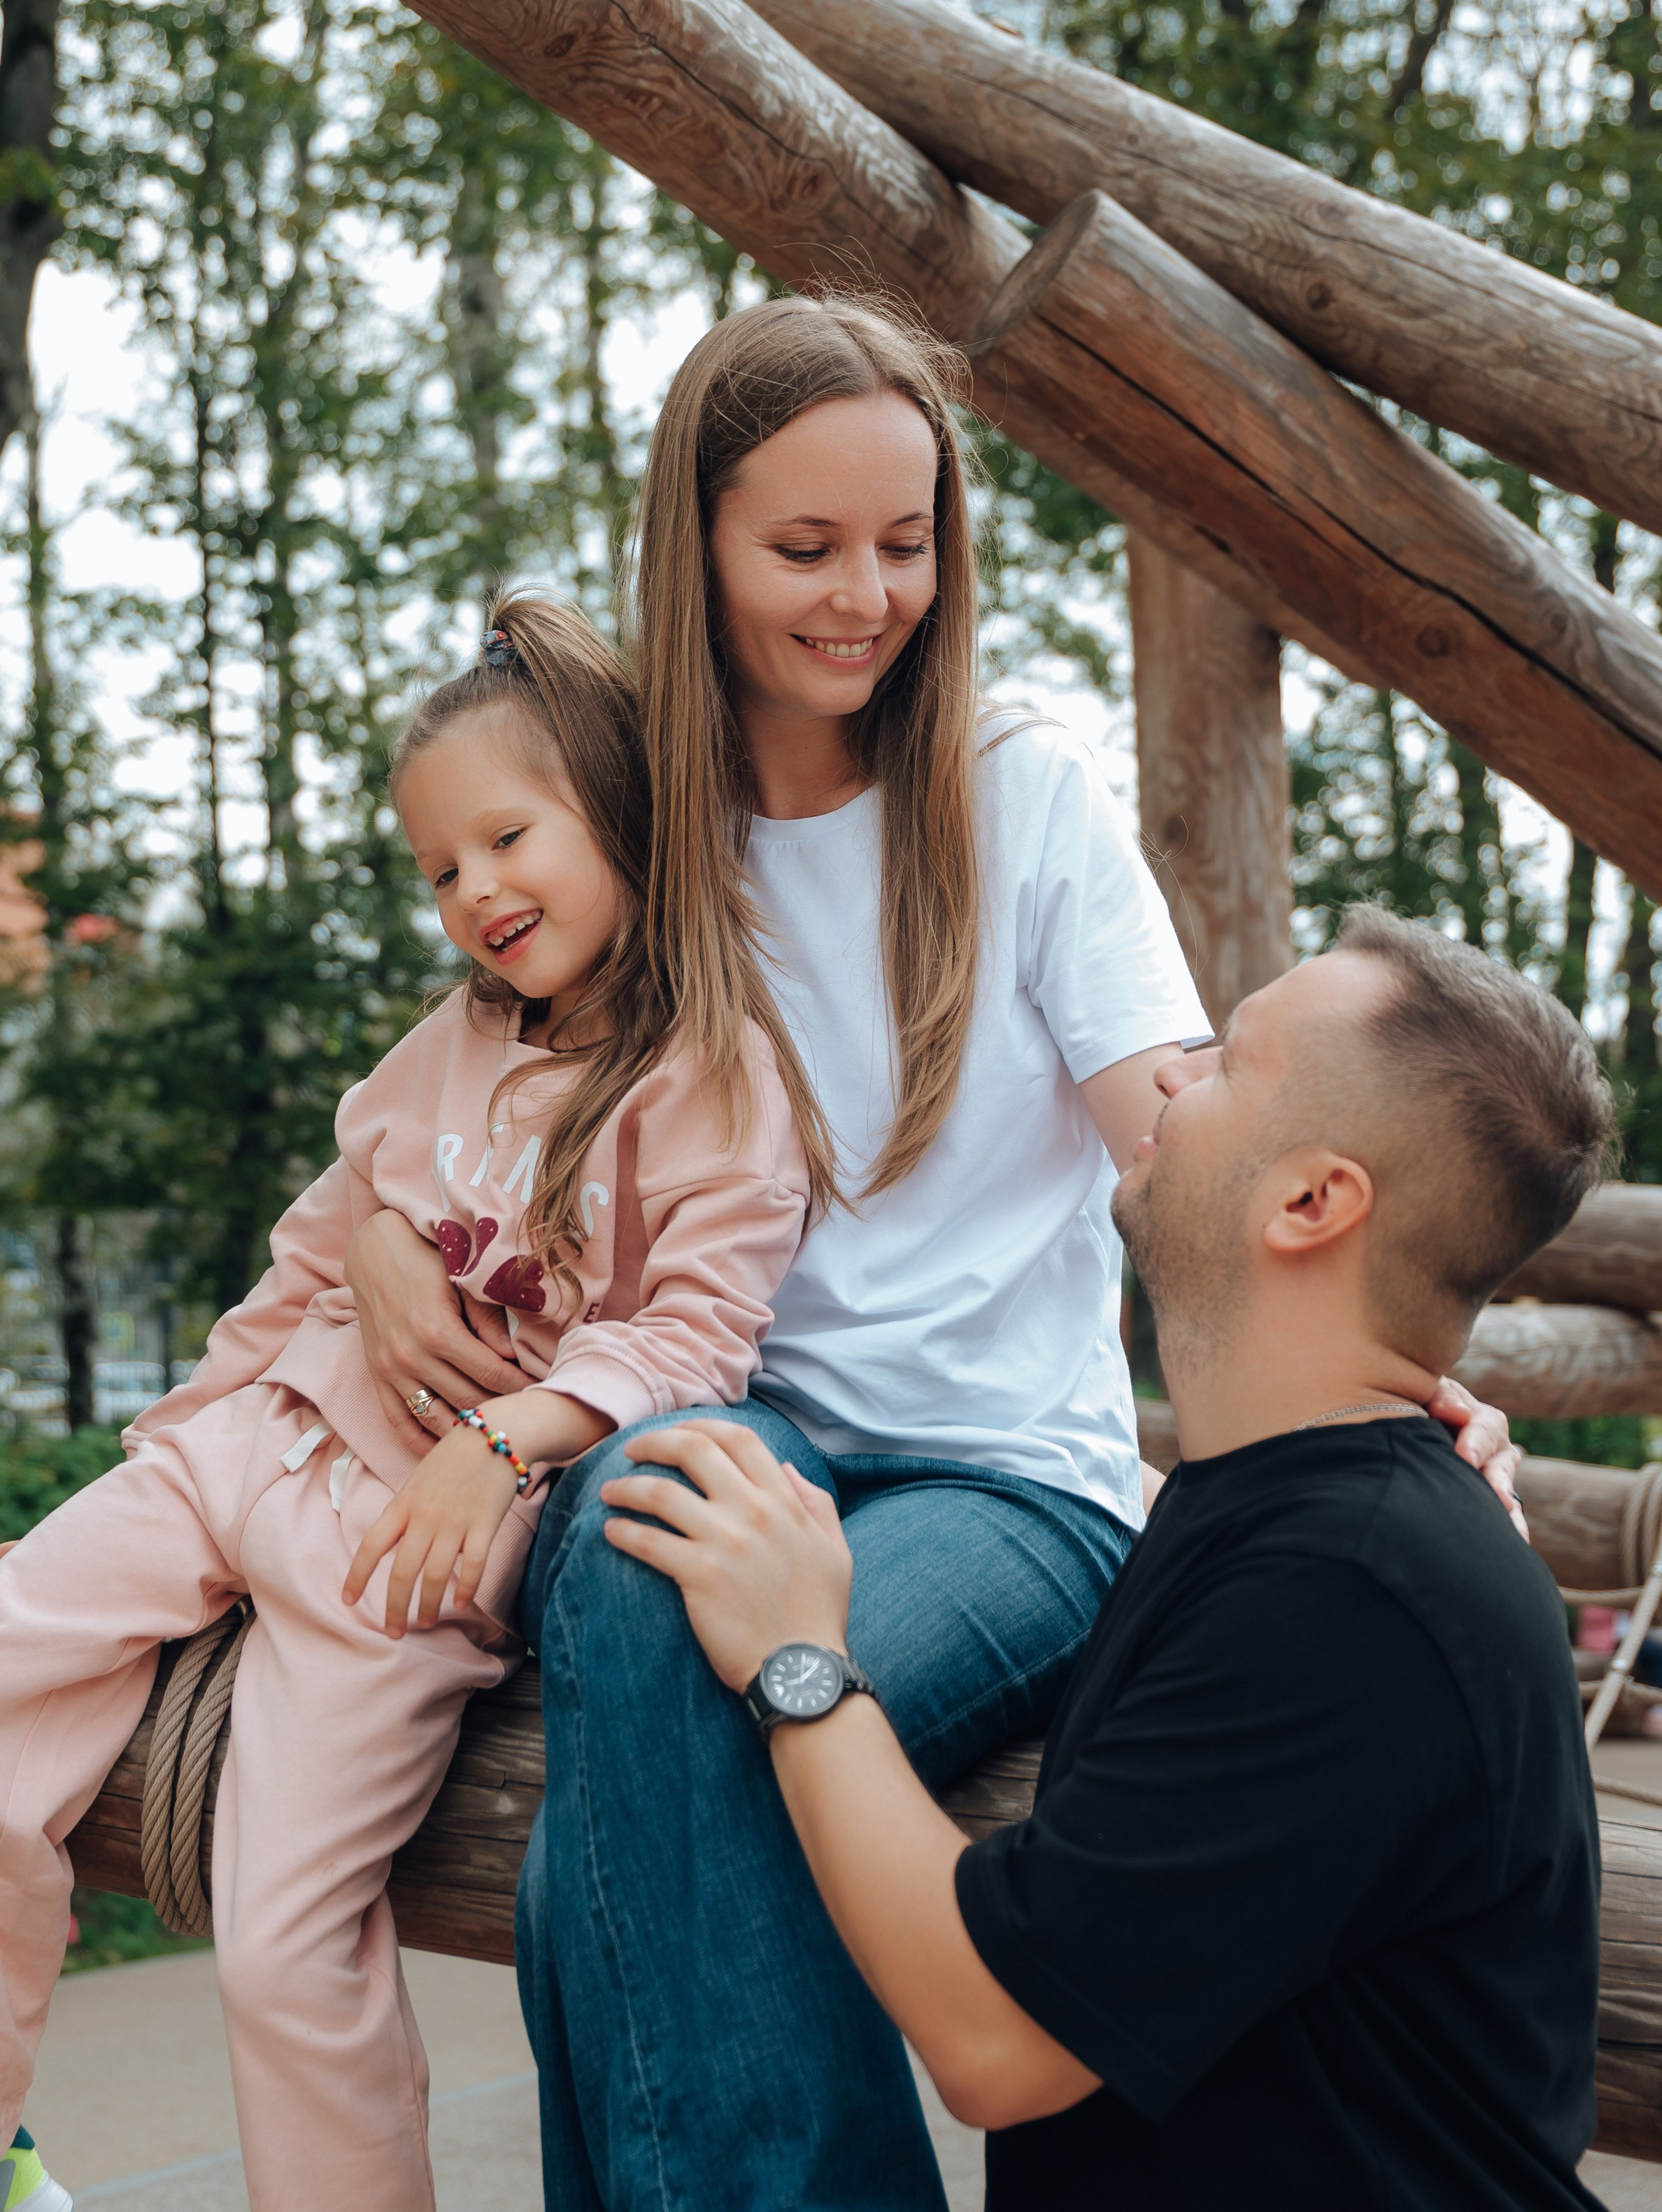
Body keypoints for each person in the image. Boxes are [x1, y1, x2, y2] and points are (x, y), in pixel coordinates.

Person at [343, 294, 1522, 2211]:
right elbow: (478, 1081)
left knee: (627, 1834)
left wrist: (1395, 1358)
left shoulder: (1016, 787)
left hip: (1012, 1484)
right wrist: (384, 1244)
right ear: (696, 542)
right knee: (652, 1519)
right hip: (725, 1411)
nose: (864, 595)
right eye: (802, 547)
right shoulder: (635, 810)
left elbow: (1182, 1127)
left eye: (908, 544)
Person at [0, 597, 816, 2212]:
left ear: (618, 809)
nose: (475, 895)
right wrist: (124, 1482)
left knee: (283, 1929)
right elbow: (295, 1271)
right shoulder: (426, 1060)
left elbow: (701, 1334)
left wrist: (503, 1440)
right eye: (441, 869)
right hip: (246, 1449)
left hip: (408, 1555)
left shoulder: (713, 1075)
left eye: (507, 838)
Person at [604, 906, 1614, 2211]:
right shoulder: (1286, 1508)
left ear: (1312, 1200)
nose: (1170, 1071)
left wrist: (802, 1654)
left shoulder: (1349, 1589)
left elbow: (999, 2041)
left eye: (1228, 1059)